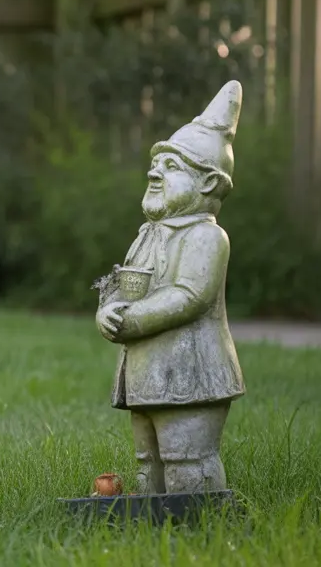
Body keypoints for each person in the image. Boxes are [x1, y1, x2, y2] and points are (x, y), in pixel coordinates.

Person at [95, 80, 246, 495]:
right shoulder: (147, 234)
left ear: (210, 185)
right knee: (148, 463)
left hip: (192, 375)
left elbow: (189, 297)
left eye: (171, 166)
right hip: (146, 375)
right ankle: (150, 529)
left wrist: (133, 318)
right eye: (156, 164)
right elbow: (122, 282)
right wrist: (109, 308)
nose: (153, 172)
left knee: (186, 459)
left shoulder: (205, 238)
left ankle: (199, 529)